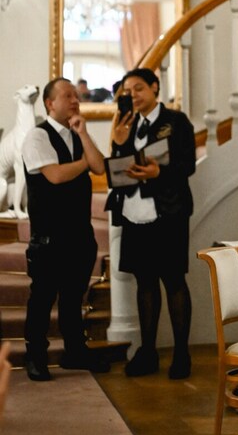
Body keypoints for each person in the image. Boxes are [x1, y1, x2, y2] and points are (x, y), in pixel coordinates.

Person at [107, 68, 196, 379]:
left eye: (139, 88)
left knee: (173, 280)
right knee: (144, 282)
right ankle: (147, 352)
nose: (133, 94)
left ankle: (182, 354)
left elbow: (187, 164)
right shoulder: (125, 124)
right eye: (128, 90)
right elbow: (118, 169)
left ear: (155, 87)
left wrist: (160, 173)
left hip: (168, 212)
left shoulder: (176, 121)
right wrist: (118, 144)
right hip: (134, 211)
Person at [21, 77, 109, 381]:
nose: (75, 100)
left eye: (75, 95)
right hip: (48, 236)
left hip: (79, 235)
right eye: (67, 96)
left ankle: (75, 353)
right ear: (50, 103)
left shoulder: (77, 134)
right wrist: (85, 163)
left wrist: (84, 135)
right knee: (43, 298)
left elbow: (99, 167)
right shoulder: (37, 137)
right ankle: (36, 357)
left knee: (73, 298)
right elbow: (55, 175)